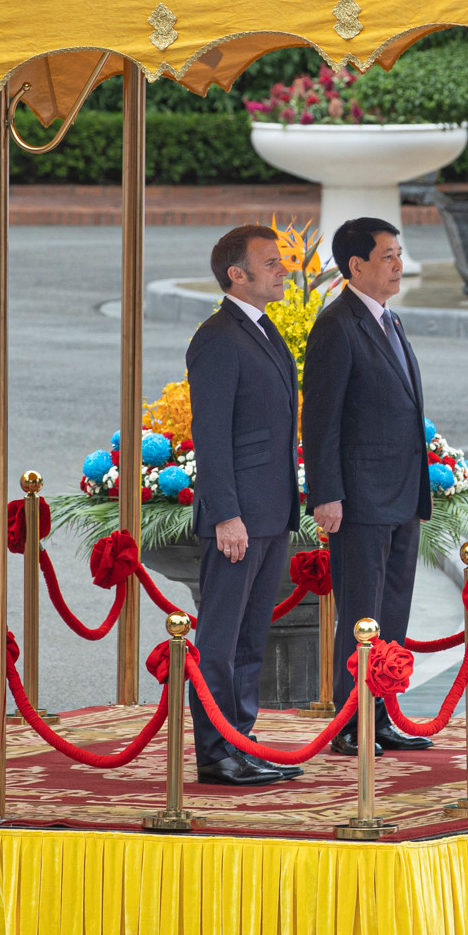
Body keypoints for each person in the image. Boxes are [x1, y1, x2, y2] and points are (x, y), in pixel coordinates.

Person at [301, 218, 435, 756]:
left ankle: (381, 714)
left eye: (400, 255)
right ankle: (351, 721)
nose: (398, 265)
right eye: (388, 257)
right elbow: (321, 419)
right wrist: (326, 494)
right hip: (360, 496)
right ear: (355, 266)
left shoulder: (389, 320)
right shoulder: (337, 324)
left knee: (394, 612)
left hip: (400, 493)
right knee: (362, 612)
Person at [185, 225, 304, 787]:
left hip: (271, 511)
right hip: (238, 517)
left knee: (252, 637)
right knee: (220, 640)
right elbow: (209, 434)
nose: (283, 270)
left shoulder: (263, 330)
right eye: (271, 262)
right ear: (238, 274)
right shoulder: (218, 337)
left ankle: (242, 740)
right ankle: (215, 753)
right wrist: (225, 514)